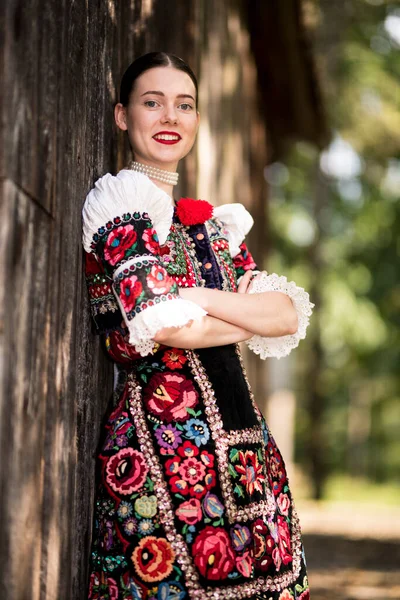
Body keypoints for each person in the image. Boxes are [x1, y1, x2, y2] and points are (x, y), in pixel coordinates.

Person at [82, 51, 314, 600]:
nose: (169, 117)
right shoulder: (117, 204)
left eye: (183, 105)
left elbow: (283, 314)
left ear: (197, 120)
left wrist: (187, 293)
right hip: (160, 457)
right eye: (152, 102)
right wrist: (235, 314)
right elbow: (167, 328)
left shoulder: (213, 227)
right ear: (122, 116)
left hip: (246, 458)